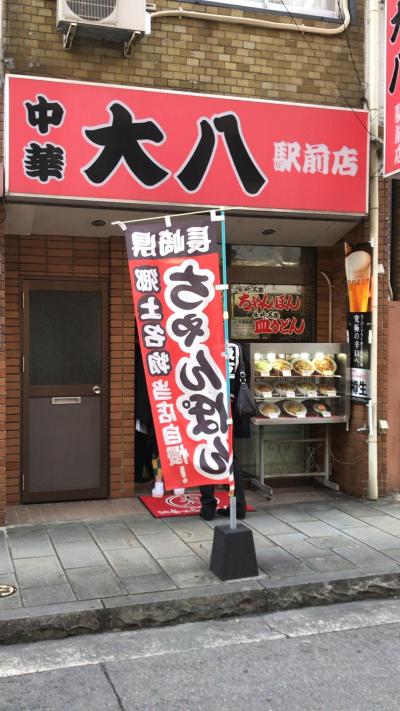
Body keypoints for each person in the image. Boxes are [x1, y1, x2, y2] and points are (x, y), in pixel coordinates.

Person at [199, 342, 250, 521]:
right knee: (230, 456)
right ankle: (239, 506)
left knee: (205, 454)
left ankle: (208, 506)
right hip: (230, 409)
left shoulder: (202, 344)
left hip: (205, 408)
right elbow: (245, 378)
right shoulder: (236, 348)